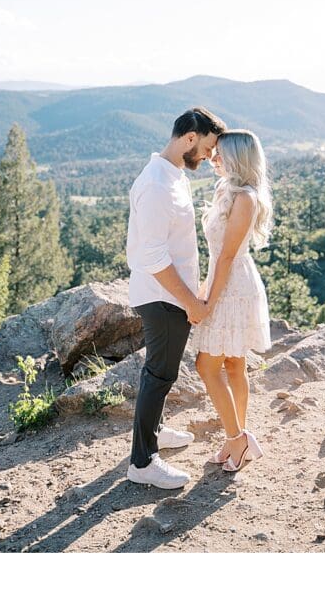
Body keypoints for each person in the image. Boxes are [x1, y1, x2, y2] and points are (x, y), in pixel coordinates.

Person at [125, 107, 227, 489]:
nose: (208, 156)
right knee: (159, 374)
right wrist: (190, 301)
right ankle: (143, 462)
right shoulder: (156, 185)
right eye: (207, 147)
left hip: (172, 294)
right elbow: (152, 257)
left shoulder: (174, 175)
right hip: (162, 296)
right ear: (189, 138)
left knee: (162, 373)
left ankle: (155, 431)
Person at [193, 129, 273, 472]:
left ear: (238, 158)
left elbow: (226, 256)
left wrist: (208, 298)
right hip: (225, 277)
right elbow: (216, 255)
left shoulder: (246, 198)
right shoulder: (228, 189)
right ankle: (235, 439)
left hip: (234, 286)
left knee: (207, 366)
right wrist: (204, 284)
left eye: (220, 154)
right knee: (232, 365)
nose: (213, 158)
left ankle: (237, 439)